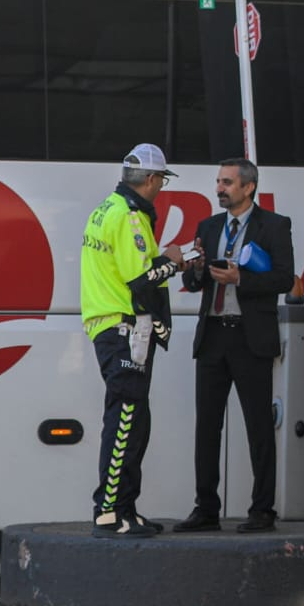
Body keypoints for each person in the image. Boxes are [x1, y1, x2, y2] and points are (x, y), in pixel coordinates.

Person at [174, 158, 297, 534]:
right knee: (206, 427)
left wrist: (239, 278)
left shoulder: (274, 225)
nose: (220, 189)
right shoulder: (208, 227)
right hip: (212, 335)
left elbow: (282, 278)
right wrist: (193, 270)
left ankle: (262, 510)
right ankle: (206, 509)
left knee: (258, 425)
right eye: (218, 182)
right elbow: (195, 286)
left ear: (248, 187)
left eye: (227, 183)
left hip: (249, 336)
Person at [79, 143, 188, 538]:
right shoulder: (129, 217)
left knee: (133, 421)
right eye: (162, 182)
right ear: (153, 180)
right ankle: (110, 512)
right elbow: (141, 279)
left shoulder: (106, 208)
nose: (161, 189)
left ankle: (125, 508)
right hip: (123, 328)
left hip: (111, 326)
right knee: (125, 421)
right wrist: (175, 261)